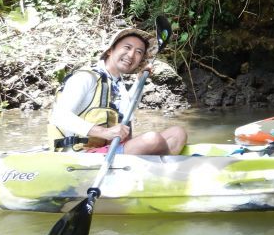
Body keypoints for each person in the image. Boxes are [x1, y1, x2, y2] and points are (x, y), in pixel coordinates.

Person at [47, 27, 187, 155]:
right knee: (153, 139)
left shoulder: (117, 83)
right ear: (110, 50)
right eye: (127, 47)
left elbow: (128, 111)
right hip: (80, 155)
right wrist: (104, 132)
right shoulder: (85, 77)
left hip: (110, 149)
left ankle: (162, 162)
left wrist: (139, 81)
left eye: (139, 52)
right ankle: (165, 164)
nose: (131, 55)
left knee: (178, 133)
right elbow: (58, 116)